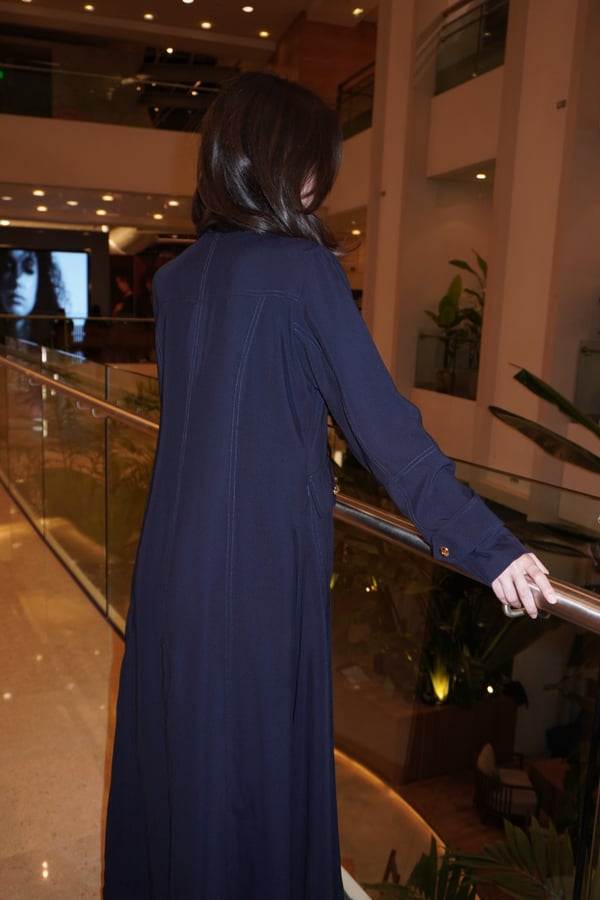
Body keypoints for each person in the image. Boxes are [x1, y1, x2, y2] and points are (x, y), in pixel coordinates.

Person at [103, 71, 557, 900]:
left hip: (171, 562)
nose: (321, 182)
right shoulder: (300, 271)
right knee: (254, 769)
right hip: (256, 574)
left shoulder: (176, 279)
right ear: (279, 161)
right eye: (315, 163)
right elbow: (384, 431)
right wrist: (489, 546)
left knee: (187, 758)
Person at [0, 248, 66, 344]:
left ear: (41, 279)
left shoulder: (53, 340)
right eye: (8, 267)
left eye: (28, 268)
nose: (17, 280)